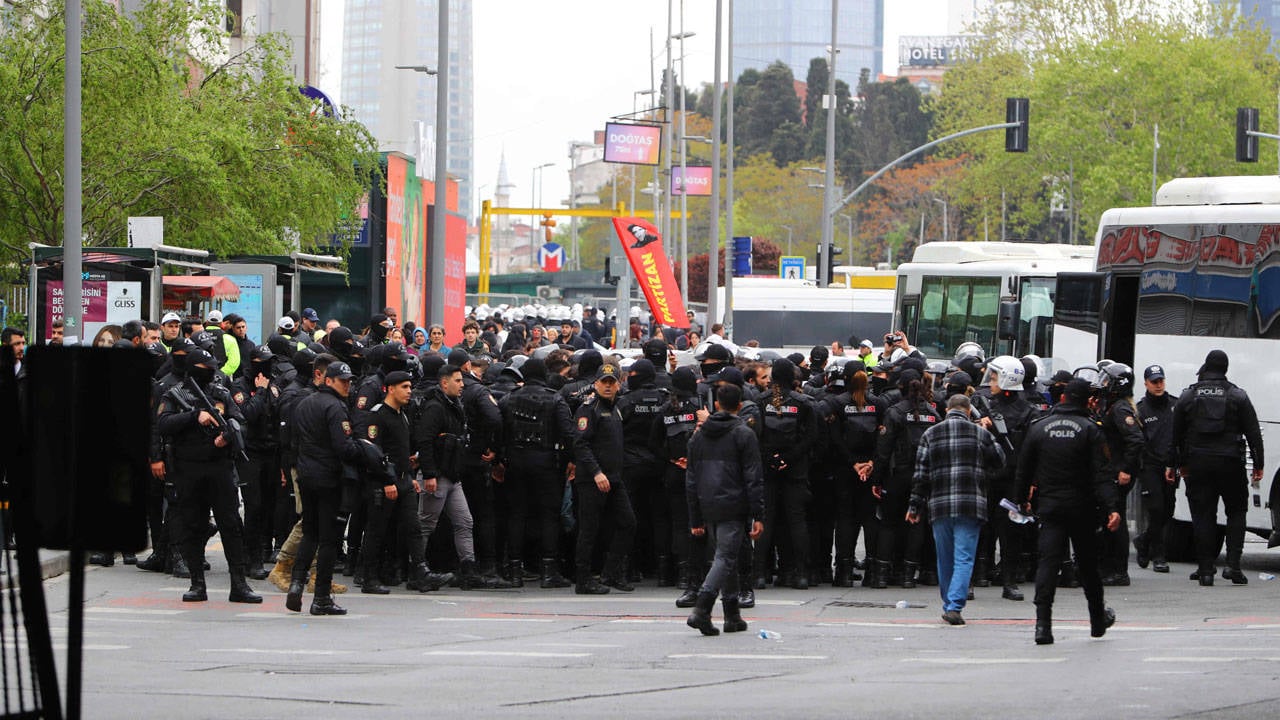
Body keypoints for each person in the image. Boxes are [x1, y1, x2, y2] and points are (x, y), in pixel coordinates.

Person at [1016, 378, 1120, 645]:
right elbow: (1102, 474)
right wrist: (1112, 508)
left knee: (1048, 564)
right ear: (1087, 401)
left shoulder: (1039, 427)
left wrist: (1021, 500)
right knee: (1088, 566)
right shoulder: (1090, 429)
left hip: (1050, 506)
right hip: (1082, 508)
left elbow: (1024, 469)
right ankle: (1097, 620)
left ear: (1063, 398)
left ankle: (1043, 625)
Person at [156, 348, 262, 605]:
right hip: (188, 469)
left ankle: (239, 584)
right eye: (206, 368)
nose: (211, 372)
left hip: (220, 468)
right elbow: (163, 424)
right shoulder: (175, 394)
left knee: (231, 525)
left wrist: (227, 436)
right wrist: (194, 416)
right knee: (193, 525)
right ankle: (197, 584)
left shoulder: (221, 393)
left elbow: (240, 421)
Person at [908, 394, 1005, 626]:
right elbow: (1000, 460)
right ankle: (954, 606)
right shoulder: (980, 433)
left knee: (944, 558)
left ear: (947, 409)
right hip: (970, 504)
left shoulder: (930, 434)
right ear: (969, 411)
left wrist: (914, 505)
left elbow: (921, 475)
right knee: (964, 557)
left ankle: (948, 603)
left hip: (940, 505)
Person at [290, 359, 375, 616]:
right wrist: (365, 450)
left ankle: (296, 583)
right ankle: (322, 597)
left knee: (310, 532)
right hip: (329, 478)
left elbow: (293, 441)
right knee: (328, 539)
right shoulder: (335, 407)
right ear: (328, 380)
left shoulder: (304, 403)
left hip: (306, 475)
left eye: (349, 382)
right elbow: (344, 447)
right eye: (342, 381)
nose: (347, 386)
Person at [1171, 349, 1263, 586]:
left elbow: (1176, 435)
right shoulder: (1238, 396)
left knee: (1203, 514)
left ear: (1206, 366)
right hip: (1230, 463)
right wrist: (1258, 465)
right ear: (1226, 368)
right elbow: (1253, 433)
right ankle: (1233, 566)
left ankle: (1205, 570)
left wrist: (1177, 464)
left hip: (1198, 463)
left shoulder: (1188, 396)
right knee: (1236, 511)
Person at [685, 384, 765, 636]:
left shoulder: (698, 436)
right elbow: (753, 477)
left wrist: (695, 516)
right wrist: (758, 514)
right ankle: (702, 608)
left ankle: (732, 614)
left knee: (726, 555)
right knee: (725, 557)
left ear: (717, 404)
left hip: (708, 502)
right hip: (733, 503)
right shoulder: (744, 434)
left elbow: (691, 479)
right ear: (740, 406)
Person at [571, 362, 637, 594]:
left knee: (628, 523)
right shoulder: (589, 409)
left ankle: (611, 572)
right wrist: (596, 472)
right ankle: (583, 579)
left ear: (618, 385)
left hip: (614, 478)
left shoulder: (617, 407)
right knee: (589, 529)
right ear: (596, 384)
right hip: (593, 479)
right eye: (604, 382)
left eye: (612, 382)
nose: (608, 386)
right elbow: (580, 444)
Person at [1095, 363, 1144, 587]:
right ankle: (1109, 567)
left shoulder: (1120, 409)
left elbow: (1135, 440)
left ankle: (1119, 570)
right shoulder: (1112, 406)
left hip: (1117, 472)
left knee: (1116, 519)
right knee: (1111, 517)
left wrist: (1125, 469)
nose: (1103, 384)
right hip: (1112, 469)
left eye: (1107, 381)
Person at [1133, 365, 1177, 574]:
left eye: (1161, 381)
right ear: (1146, 384)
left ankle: (1143, 540)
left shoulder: (1175, 405)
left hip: (1171, 464)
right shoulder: (1140, 409)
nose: (1159, 385)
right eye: (1154, 382)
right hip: (1150, 465)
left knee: (1168, 509)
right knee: (1156, 509)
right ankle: (1159, 556)